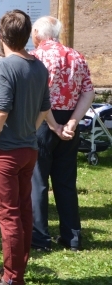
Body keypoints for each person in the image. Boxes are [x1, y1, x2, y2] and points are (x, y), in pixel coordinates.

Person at [0, 10, 51, 285]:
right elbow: (44, 110)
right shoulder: (38, 66)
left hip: (5, 151)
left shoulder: (6, 66)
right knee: (23, 212)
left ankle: (12, 278)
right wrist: (27, 130)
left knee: (8, 215)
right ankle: (17, 267)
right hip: (28, 148)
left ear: (2, 35)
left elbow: (0, 111)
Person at [30, 16, 94, 251]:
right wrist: (73, 122)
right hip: (70, 121)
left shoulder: (37, 57)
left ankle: (40, 237)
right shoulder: (76, 55)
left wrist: (53, 124)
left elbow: (40, 95)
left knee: (38, 181)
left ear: (37, 32)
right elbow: (88, 93)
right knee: (66, 182)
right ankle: (72, 236)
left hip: (44, 121)